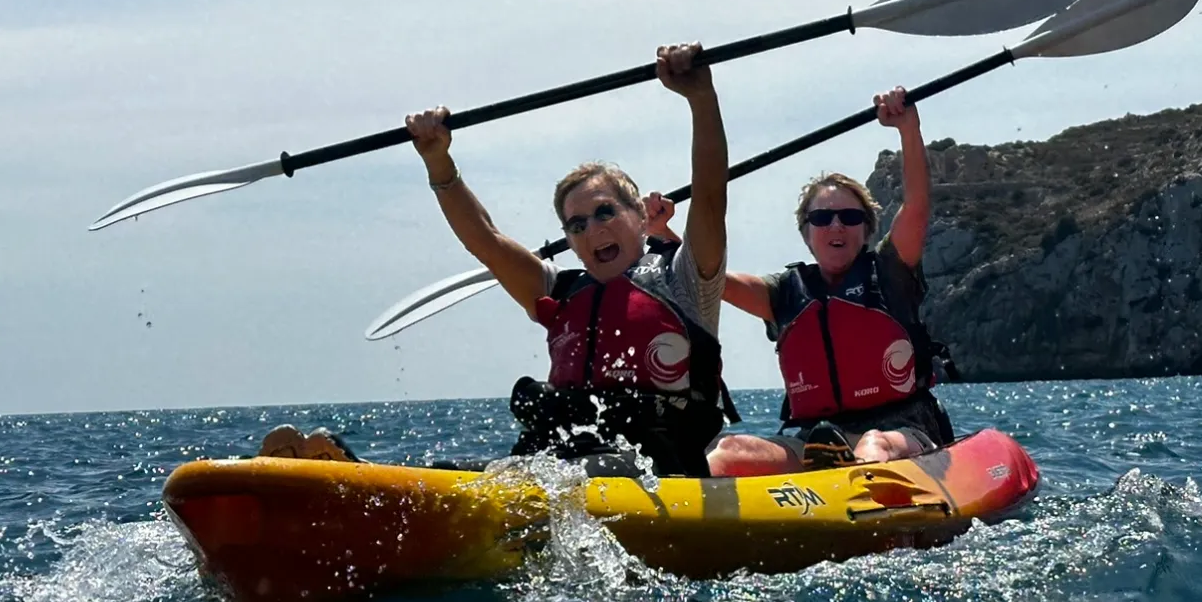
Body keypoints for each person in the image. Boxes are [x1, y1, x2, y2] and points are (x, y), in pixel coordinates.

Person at [402, 44, 730, 476]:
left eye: (605, 212)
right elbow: (487, 240)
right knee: (446, 473)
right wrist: (438, 161)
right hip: (562, 462)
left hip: (660, 471)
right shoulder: (558, 291)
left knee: (541, 479)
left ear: (640, 216)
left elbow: (709, 196)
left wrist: (700, 98)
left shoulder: (684, 279)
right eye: (576, 225)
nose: (592, 230)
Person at [704, 87, 953, 476]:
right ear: (806, 234)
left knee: (874, 444)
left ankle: (855, 489)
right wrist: (664, 237)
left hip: (900, 429)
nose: (836, 225)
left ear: (867, 230)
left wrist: (908, 128)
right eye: (822, 219)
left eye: (850, 218)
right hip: (815, 439)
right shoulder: (783, 292)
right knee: (730, 449)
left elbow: (917, 207)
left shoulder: (889, 272)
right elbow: (707, 275)